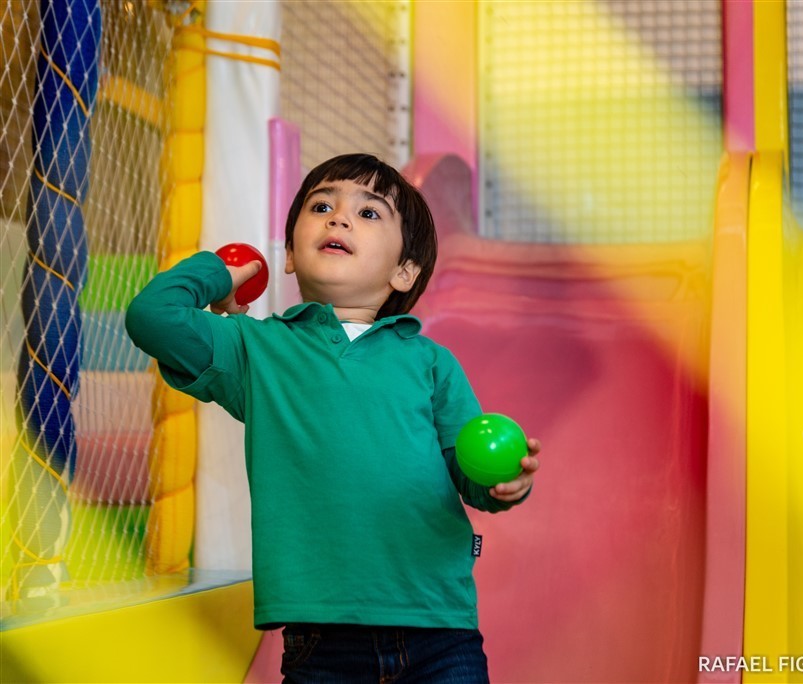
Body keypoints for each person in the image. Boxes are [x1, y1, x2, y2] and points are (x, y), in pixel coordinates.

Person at [126, 153, 540, 683]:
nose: (338, 217)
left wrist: (506, 481)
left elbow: (470, 474)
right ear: (292, 254)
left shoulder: (430, 362)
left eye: (368, 214)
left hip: (438, 627)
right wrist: (220, 273)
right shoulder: (256, 349)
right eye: (322, 205)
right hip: (320, 641)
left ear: (404, 270)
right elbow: (151, 317)